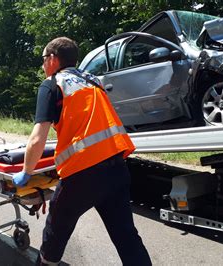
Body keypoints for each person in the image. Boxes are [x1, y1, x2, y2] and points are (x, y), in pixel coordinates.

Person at [12, 37, 151, 266]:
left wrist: (27, 171)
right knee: (126, 237)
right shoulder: (92, 80)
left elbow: (38, 138)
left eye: (44, 59)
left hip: (83, 175)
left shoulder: (52, 84)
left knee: (54, 234)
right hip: (117, 168)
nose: (43, 65)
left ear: (53, 60)